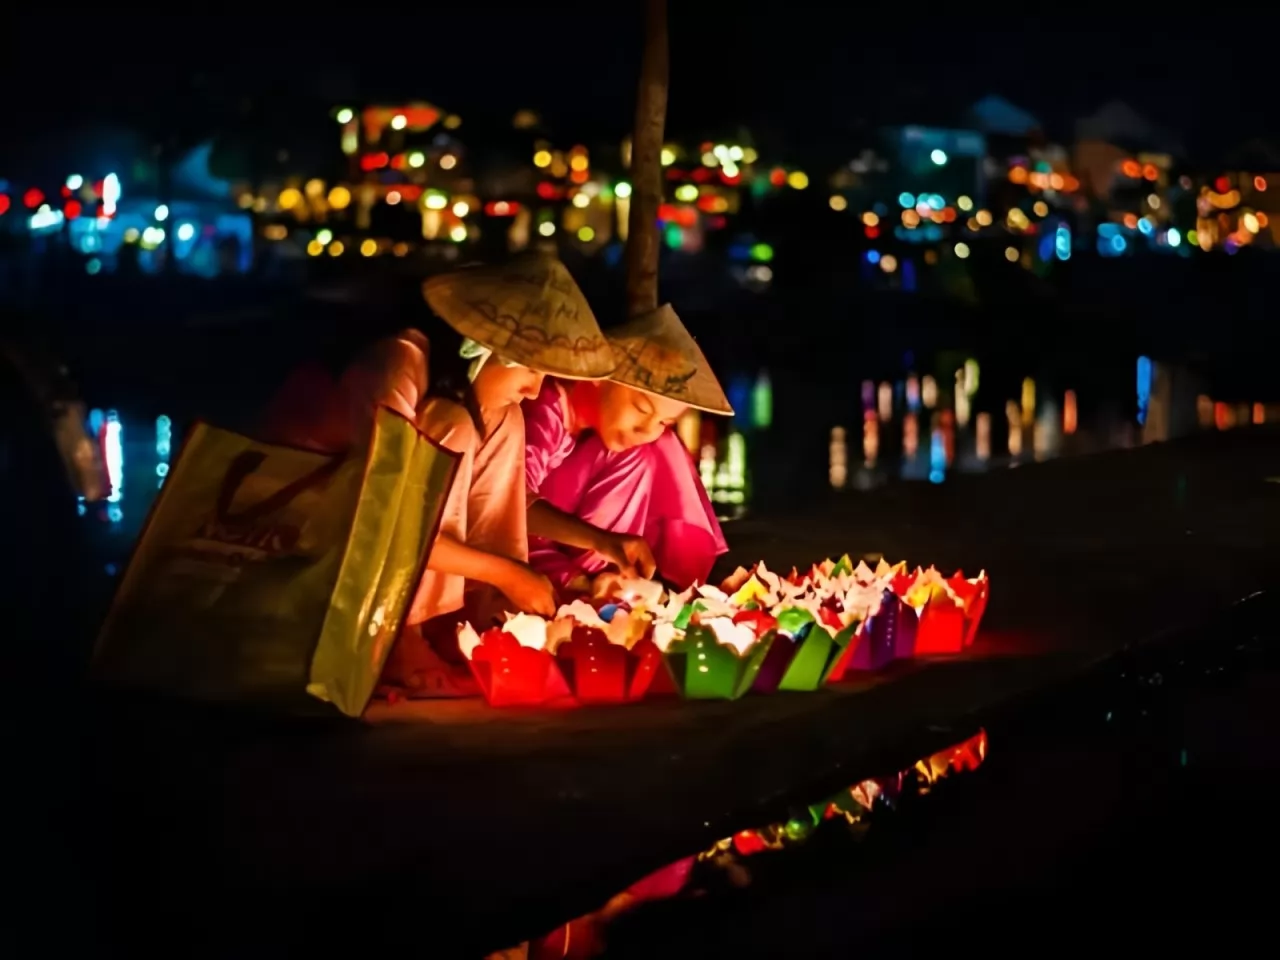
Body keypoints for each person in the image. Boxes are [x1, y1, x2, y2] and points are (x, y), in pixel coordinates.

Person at [261, 253, 617, 695]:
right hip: (306, 524)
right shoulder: (398, 365)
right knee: (454, 426)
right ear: (479, 349)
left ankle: (468, 612)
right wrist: (508, 573)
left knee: (507, 420)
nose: (534, 389)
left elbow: (503, 503)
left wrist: (600, 543)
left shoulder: (475, 398)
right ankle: (400, 632)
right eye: (528, 368)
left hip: (380, 527)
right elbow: (387, 518)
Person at [524, 302, 733, 591]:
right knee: (639, 450)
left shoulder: (613, 437)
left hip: (571, 544)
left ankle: (609, 578)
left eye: (664, 421)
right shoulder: (547, 406)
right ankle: (588, 579)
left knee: (656, 447)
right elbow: (510, 504)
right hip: (521, 545)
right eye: (641, 408)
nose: (646, 429)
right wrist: (599, 539)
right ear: (600, 377)